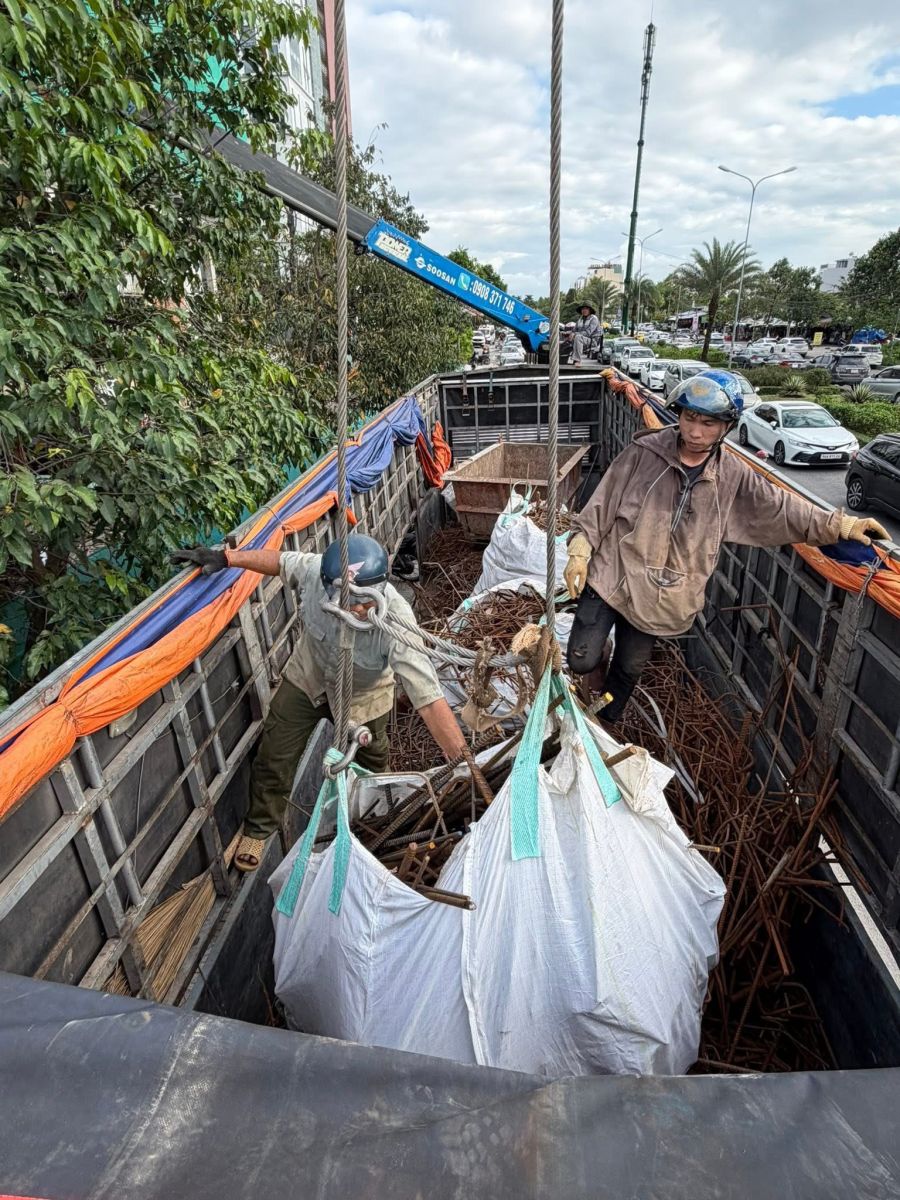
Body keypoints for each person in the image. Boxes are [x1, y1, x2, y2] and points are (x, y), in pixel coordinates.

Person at [563, 370, 889, 723]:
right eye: (689, 418)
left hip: (664, 593)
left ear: (727, 427)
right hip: (614, 571)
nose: (695, 431)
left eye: (708, 423)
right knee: (582, 657)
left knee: (629, 669)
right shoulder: (644, 452)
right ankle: (595, 663)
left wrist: (841, 525)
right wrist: (580, 550)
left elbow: (783, 508)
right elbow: (602, 504)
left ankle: (603, 720)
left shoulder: (732, 475)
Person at [171, 534, 466, 871]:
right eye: (347, 599)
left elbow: (427, 698)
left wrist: (462, 761)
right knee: (275, 751)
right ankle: (260, 827)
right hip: (309, 677)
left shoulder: (397, 621)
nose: (356, 609)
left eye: (365, 601)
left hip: (365, 696)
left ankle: (376, 825)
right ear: (328, 584)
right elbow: (279, 562)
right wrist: (227, 558)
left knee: (373, 764)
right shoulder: (315, 572)